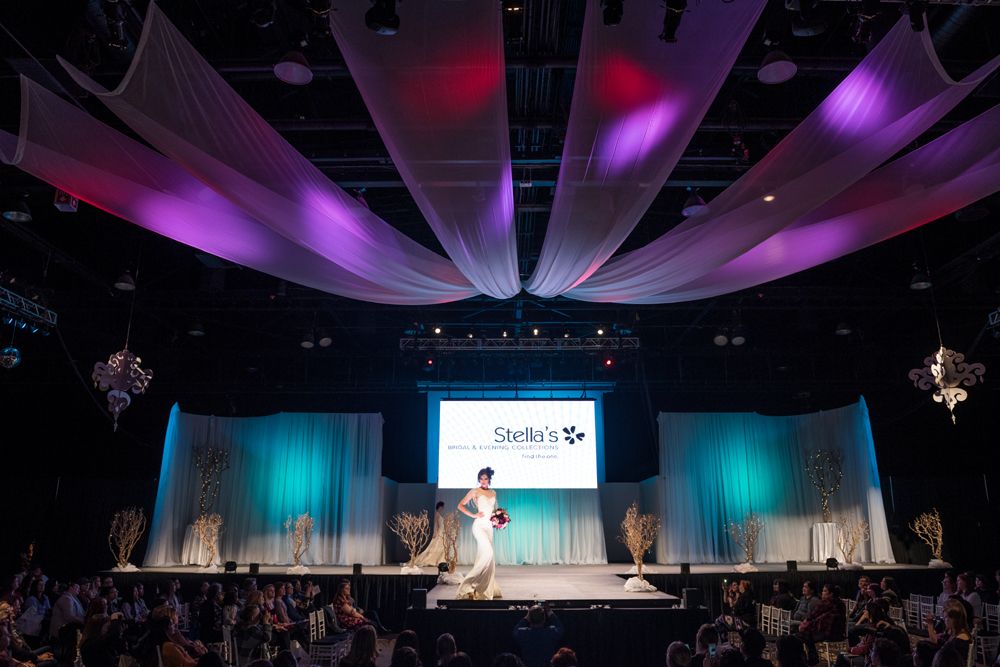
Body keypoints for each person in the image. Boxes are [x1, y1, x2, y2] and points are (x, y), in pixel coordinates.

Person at [456, 467, 502, 600]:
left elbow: (492, 511)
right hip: (479, 526)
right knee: (488, 553)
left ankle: (480, 588)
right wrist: (473, 515)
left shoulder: (493, 493)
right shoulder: (475, 491)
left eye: (485, 478)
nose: (483, 481)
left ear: (489, 479)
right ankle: (468, 585)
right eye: (481, 478)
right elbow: (460, 505)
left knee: (487, 558)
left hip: (489, 527)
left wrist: (499, 519)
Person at [797, 584, 846, 666]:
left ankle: (810, 660)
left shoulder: (826, 603)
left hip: (828, 633)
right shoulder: (840, 603)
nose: (822, 593)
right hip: (838, 632)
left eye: (824, 591)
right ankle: (813, 659)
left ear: (831, 594)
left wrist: (805, 624)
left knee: (801, 636)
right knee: (805, 634)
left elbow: (812, 616)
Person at [415, 501, 449, 567]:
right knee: (436, 546)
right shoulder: (437, 514)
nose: (443, 508)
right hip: (439, 532)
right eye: (442, 507)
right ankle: (434, 560)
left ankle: (440, 560)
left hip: (442, 531)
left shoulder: (439, 514)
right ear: (440, 507)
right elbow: (436, 524)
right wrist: (435, 532)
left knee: (441, 547)